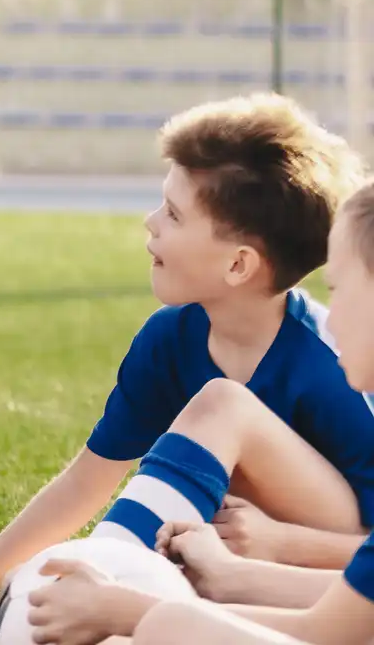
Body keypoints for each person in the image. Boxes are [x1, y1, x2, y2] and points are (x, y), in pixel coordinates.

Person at [0, 93, 374, 642]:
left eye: (174, 213)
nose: (151, 222)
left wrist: (282, 544)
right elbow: (85, 484)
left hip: (326, 587)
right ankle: (83, 604)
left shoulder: (335, 367)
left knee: (222, 405)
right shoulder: (170, 337)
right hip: (234, 578)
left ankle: (94, 589)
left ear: (238, 264)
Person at [18, 179, 374, 645]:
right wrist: (230, 575)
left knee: (168, 626)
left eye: (339, 286)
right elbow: (350, 606)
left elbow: (327, 631)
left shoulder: (321, 365)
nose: (333, 310)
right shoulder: (172, 336)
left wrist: (130, 609)